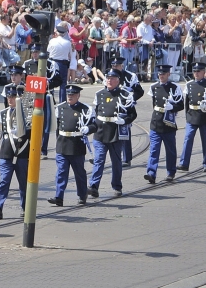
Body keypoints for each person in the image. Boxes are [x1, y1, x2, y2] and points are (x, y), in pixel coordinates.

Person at [88, 69, 137, 198]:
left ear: (118, 80)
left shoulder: (125, 95)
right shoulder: (99, 94)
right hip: (100, 131)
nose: (109, 80)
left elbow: (133, 114)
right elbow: (95, 113)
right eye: (108, 78)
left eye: (112, 78)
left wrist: (124, 121)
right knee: (99, 160)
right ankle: (93, 186)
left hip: (115, 132)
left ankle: (117, 186)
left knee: (116, 161)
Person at [0, 84, 30, 220]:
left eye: (13, 97)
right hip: (6, 151)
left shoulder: (26, 112)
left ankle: (26, 208)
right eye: (8, 97)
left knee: (23, 182)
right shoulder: (4, 113)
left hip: (22, 151)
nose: (10, 99)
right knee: (4, 181)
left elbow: (33, 131)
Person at [48, 84, 94, 206]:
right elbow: (56, 126)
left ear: (78, 96)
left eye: (73, 95)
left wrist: (87, 129)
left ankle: (82, 194)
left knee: (79, 172)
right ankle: (59, 196)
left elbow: (94, 125)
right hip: (63, 144)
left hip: (76, 145)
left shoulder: (85, 109)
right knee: (61, 172)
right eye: (68, 94)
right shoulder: (60, 108)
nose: (70, 97)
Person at [144, 64, 186, 184]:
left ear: (168, 74)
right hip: (156, 121)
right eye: (160, 74)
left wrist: (172, 107)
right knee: (154, 149)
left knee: (170, 149)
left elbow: (181, 105)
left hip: (169, 122)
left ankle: (171, 172)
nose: (161, 76)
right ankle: (151, 173)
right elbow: (154, 104)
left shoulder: (175, 87)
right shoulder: (153, 87)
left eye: (163, 74)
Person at [179, 62, 206, 172]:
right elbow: (187, 103)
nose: (196, 73)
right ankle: (184, 163)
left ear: (204, 72)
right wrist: (187, 116)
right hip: (192, 115)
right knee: (188, 139)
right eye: (194, 71)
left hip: (205, 116)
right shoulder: (189, 85)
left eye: (198, 71)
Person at [109, 55, 144, 165]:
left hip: (125, 107)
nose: (115, 67)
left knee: (125, 132)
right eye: (113, 65)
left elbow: (140, 91)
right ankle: (116, 157)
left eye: (117, 65)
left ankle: (126, 158)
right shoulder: (109, 75)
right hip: (113, 106)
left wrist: (131, 99)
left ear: (122, 66)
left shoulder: (130, 76)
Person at [47, 21, 74, 102]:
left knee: (50, 81)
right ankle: (62, 101)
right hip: (62, 63)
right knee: (63, 83)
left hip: (52, 62)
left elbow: (48, 51)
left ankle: (50, 100)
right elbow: (70, 54)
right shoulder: (68, 43)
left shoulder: (52, 41)